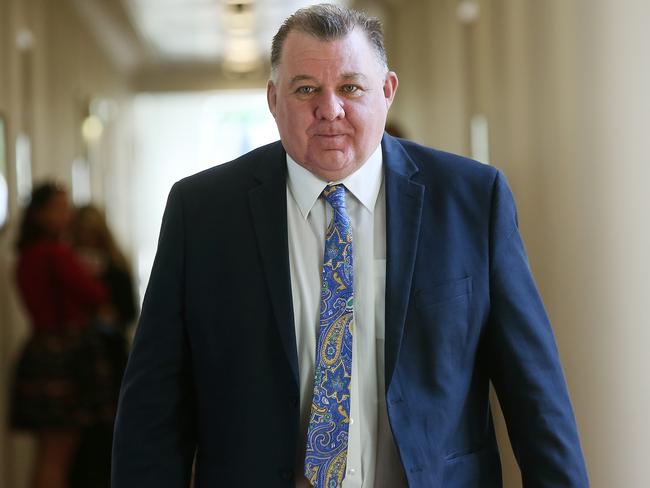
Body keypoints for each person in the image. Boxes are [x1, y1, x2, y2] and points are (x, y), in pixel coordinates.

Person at [112, 4, 588, 487]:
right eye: (306, 90)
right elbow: (154, 407)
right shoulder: (203, 212)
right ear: (274, 99)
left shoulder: (470, 199)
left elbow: (535, 396)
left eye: (350, 87)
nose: (330, 109)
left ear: (387, 92)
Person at [11, 183, 115, 488]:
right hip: (63, 357)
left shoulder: (27, 254)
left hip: (41, 349)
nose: (67, 215)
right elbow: (95, 293)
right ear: (40, 214)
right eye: (59, 208)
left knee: (48, 452)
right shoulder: (55, 253)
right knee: (58, 454)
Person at [69, 204, 137, 488]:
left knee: (110, 429)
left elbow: (129, 311)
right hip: (78, 361)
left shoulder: (116, 267)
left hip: (110, 357)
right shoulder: (69, 265)